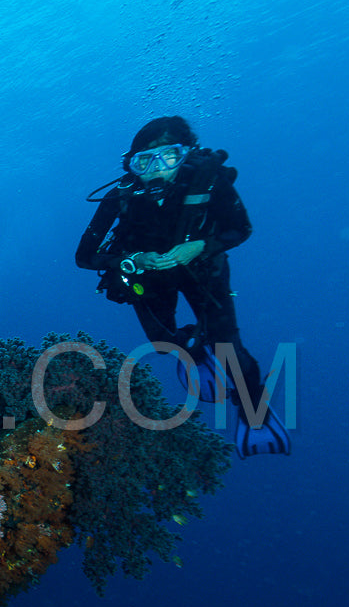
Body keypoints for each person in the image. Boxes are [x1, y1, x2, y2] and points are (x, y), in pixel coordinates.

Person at [76, 116, 290, 458]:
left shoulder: (209, 181)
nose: (156, 170)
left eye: (169, 157)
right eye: (144, 161)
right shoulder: (121, 196)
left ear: (186, 154)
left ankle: (255, 415)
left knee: (229, 348)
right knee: (163, 345)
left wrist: (201, 246)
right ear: (131, 164)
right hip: (151, 275)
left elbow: (241, 229)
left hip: (203, 271)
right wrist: (133, 258)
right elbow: (84, 257)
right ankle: (194, 348)